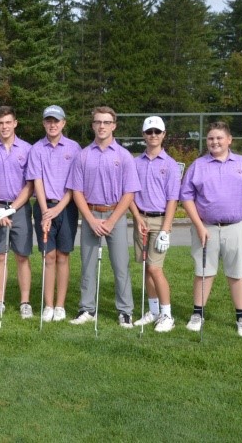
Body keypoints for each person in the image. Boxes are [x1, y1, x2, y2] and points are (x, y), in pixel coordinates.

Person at [180, 121, 242, 338]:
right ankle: (197, 314)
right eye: (210, 138)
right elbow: (186, 197)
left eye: (219, 138)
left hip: (237, 227)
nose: (215, 142)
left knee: (237, 273)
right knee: (203, 272)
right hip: (205, 228)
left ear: (229, 140)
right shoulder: (198, 165)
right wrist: (199, 226)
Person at [68, 106, 140, 328]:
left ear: (113, 126)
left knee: (121, 265)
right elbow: (76, 191)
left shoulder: (124, 156)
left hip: (115, 215)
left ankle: (125, 311)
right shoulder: (83, 155)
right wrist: (90, 219)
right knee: (88, 265)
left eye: (106, 122)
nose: (102, 126)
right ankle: (87, 309)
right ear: (93, 125)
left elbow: (129, 193)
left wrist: (111, 220)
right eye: (98, 122)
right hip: (90, 214)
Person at [26, 105, 81, 323]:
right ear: (43, 123)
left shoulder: (74, 148)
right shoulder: (36, 149)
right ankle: (48, 305)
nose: (52, 125)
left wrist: (58, 209)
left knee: (63, 256)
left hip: (67, 207)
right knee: (48, 256)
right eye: (48, 121)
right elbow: (37, 181)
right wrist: (45, 211)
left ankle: (60, 305)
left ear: (63, 123)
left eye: (56, 121)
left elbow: (75, 183)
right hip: (44, 206)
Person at [129, 116, 181, 332]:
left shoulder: (170, 165)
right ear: (143, 135)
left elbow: (172, 199)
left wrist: (166, 230)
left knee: (155, 268)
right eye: (149, 132)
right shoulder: (135, 163)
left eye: (157, 132)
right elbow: (129, 193)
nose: (153, 135)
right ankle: (153, 311)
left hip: (160, 221)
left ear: (163, 134)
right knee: (145, 268)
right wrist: (137, 217)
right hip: (140, 219)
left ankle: (167, 315)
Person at [0, 106, 34, 319]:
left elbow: (30, 184)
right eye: (0, 123)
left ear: (15, 123)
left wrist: (12, 209)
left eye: (8, 122)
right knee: (0, 256)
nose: (4, 127)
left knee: (22, 256)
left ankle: (25, 302)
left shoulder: (28, 149)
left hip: (19, 208)